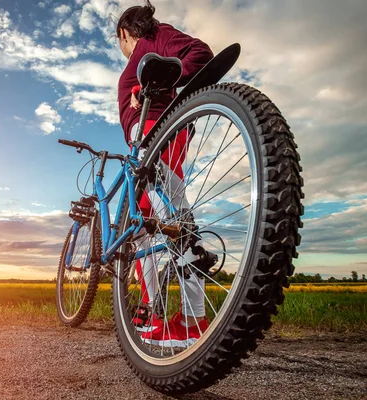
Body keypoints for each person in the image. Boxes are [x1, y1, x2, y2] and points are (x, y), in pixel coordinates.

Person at [115, 0, 217, 347]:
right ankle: (154, 312)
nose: (124, 50)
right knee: (142, 225)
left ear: (124, 33)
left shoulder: (154, 37)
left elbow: (199, 53)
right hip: (143, 141)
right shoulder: (142, 54)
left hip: (157, 136)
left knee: (173, 214)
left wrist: (158, 84)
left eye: (121, 42)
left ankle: (192, 318)